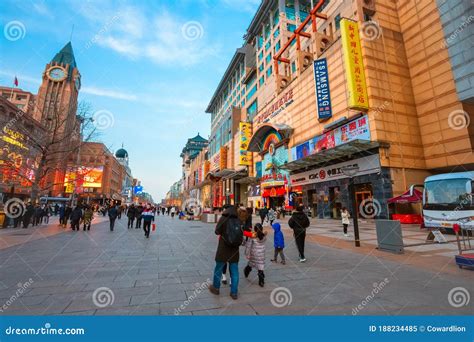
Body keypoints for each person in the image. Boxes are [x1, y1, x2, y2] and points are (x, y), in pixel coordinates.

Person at [209, 205, 250, 300]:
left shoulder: (223, 218)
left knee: (219, 268)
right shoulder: (239, 219)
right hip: (234, 250)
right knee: (234, 270)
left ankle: (216, 288)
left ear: (226, 210)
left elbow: (217, 231)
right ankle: (234, 292)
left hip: (223, 248)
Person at [243, 223, 267, 287]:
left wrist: (247, 253)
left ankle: (246, 271)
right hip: (261, 255)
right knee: (260, 268)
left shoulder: (252, 237)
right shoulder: (264, 236)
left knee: (250, 264)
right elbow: (259, 234)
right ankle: (261, 281)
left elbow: (248, 246)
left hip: (254, 254)